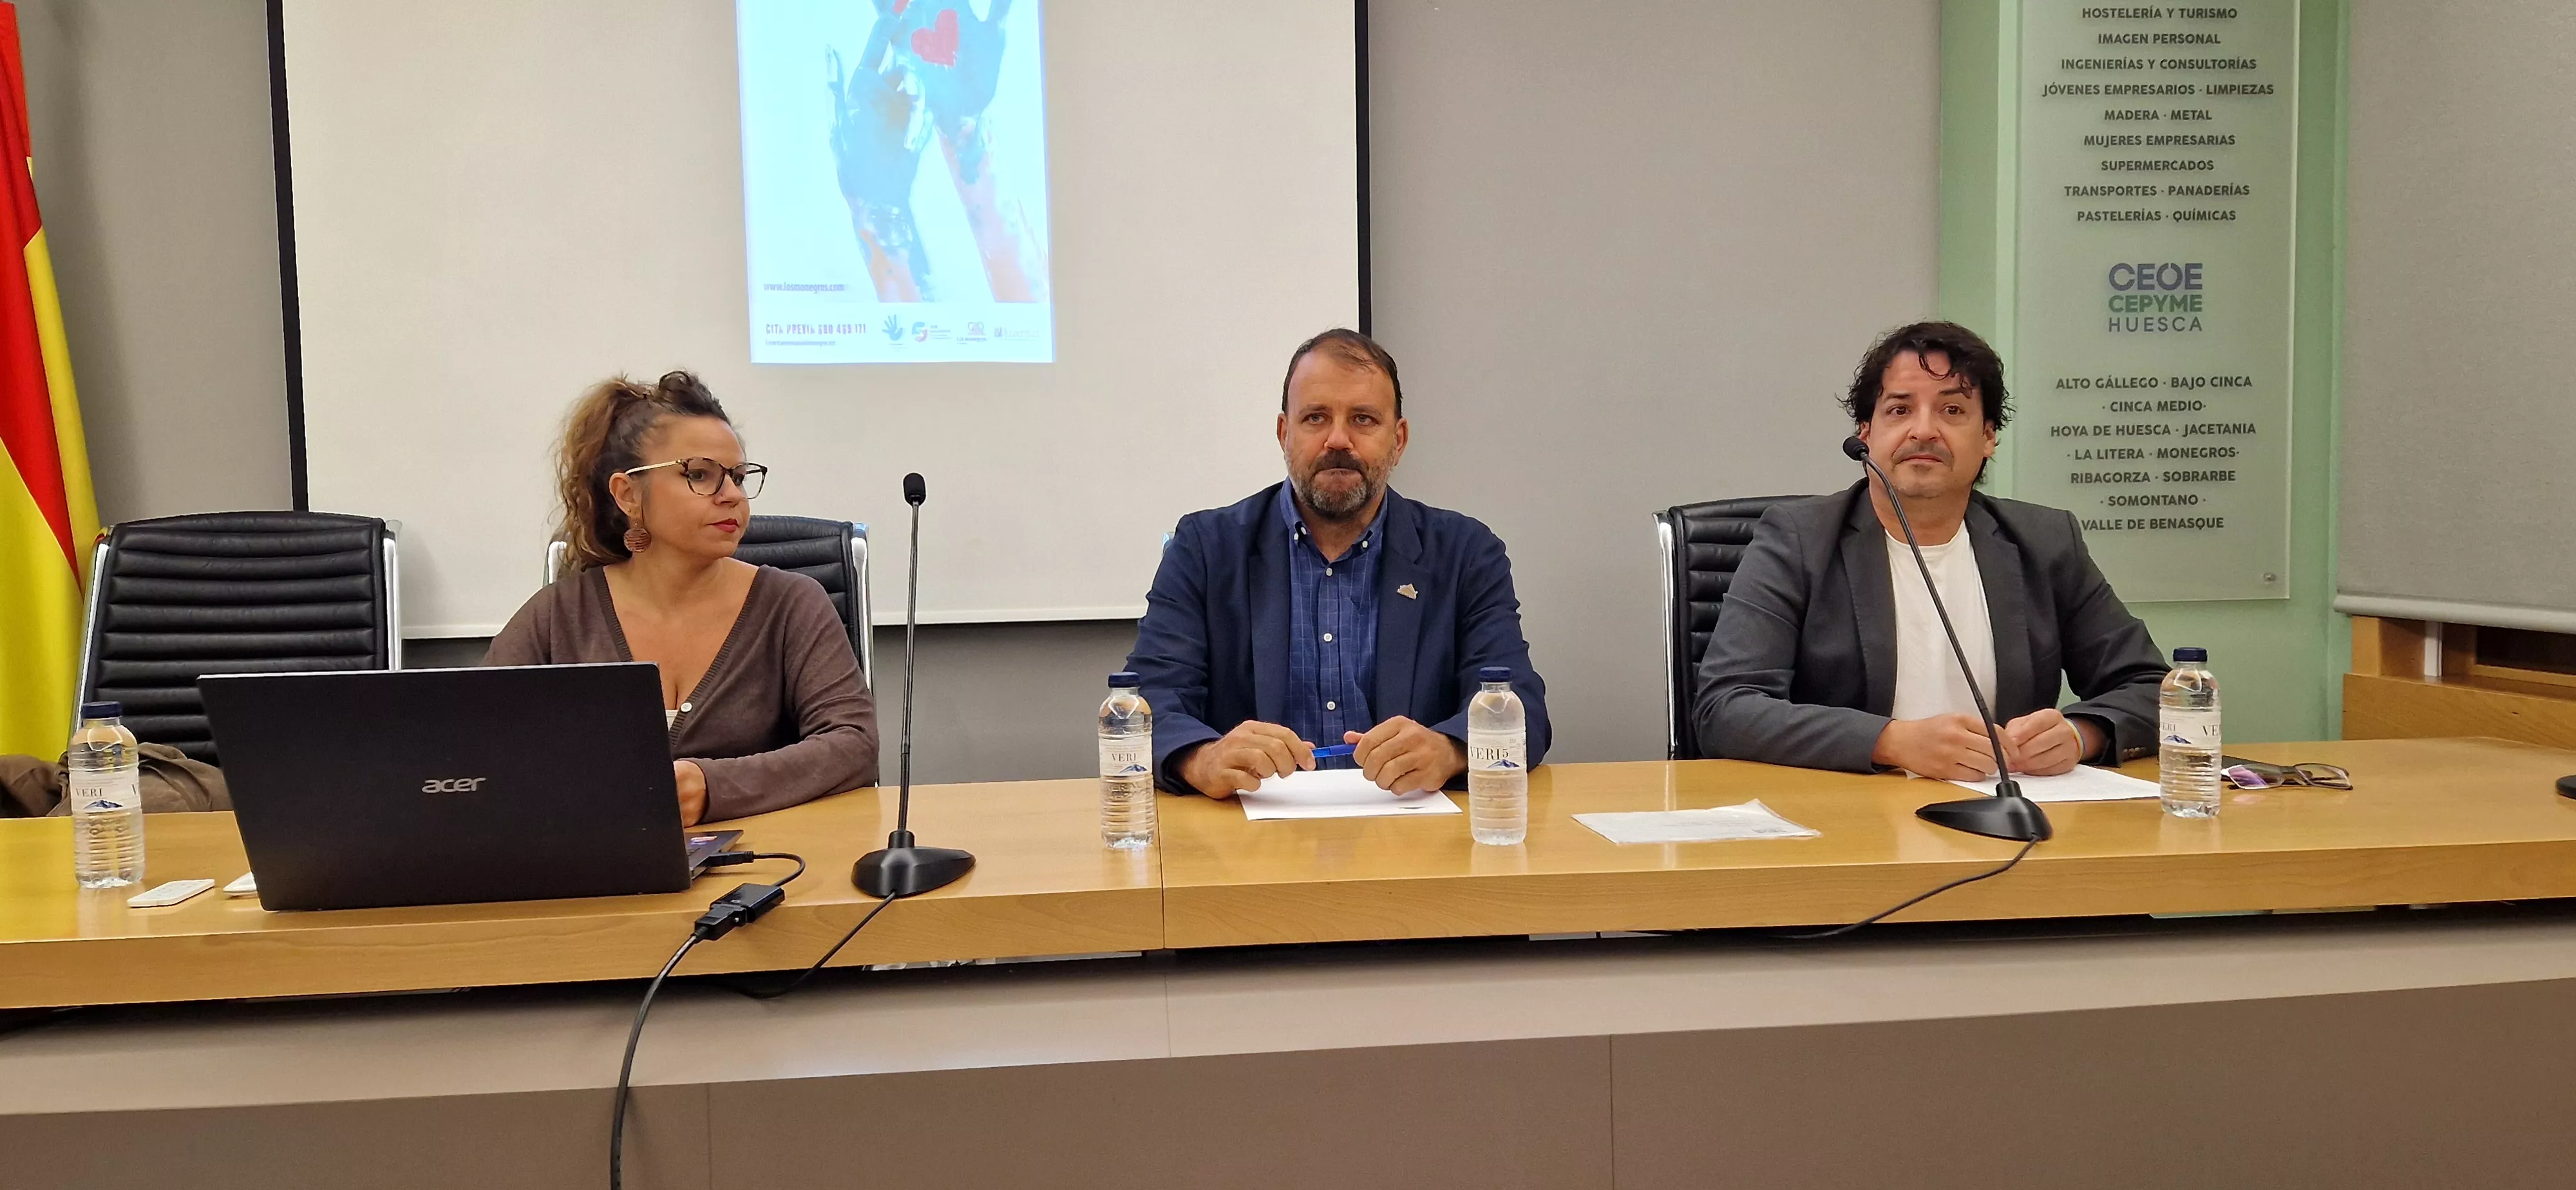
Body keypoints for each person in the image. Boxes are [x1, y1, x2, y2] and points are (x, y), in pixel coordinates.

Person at [1691, 321, 2166, 780]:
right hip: (1848, 821)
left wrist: (2083, 734)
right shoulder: (1798, 539)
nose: (1924, 431)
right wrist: (1893, 742)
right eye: (1899, 410)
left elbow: (2152, 689)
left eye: (1952, 411)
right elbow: (1726, 708)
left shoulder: (2044, 541)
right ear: (1866, 435)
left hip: (2006, 820)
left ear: (1988, 438)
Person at [1127, 329, 1550, 798]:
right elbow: (1146, 703)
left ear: (1399, 439)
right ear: (1285, 433)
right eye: (1315, 418)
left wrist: (1451, 749)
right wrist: (1202, 759)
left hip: (1414, 839)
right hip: (1249, 840)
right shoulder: (1205, 549)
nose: (1337, 440)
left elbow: (1518, 706)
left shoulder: (1466, 553)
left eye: (1364, 419)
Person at [487, 371, 878, 824]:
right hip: (603, 875)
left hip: (765, 874)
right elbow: (473, 749)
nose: (731, 495)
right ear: (628, 495)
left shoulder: (791, 603)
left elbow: (854, 744)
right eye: (700, 475)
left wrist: (713, 788)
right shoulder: (559, 615)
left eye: (736, 476)